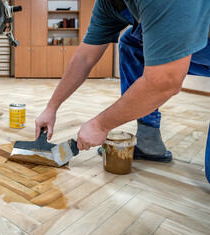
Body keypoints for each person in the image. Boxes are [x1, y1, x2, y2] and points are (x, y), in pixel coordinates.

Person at [35, 0, 210, 163]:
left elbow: (164, 83)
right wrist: (51, 108)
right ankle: (148, 141)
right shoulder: (108, 4)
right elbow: (84, 57)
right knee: (131, 43)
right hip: (195, 47)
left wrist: (100, 125)